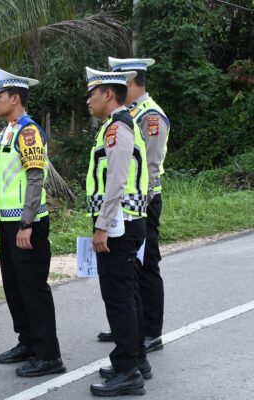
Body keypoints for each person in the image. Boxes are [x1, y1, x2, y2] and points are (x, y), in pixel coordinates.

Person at [0, 68, 66, 377]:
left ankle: (49, 355)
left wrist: (27, 223)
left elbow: (35, 179)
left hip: (26, 223)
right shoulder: (7, 130)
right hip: (8, 221)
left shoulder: (28, 131)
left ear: (15, 98)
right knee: (14, 287)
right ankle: (28, 342)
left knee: (33, 288)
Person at [94, 58, 169, 353]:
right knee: (127, 269)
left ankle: (151, 331)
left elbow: (149, 168)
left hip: (142, 203)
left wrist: (139, 206)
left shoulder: (150, 116)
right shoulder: (128, 114)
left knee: (146, 265)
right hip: (126, 204)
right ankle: (129, 327)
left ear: (128, 82)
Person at [84, 67, 150, 396]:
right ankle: (135, 359)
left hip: (119, 226)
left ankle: (128, 371)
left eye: (91, 94)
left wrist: (102, 226)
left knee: (119, 298)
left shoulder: (117, 128)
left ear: (108, 94)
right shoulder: (116, 126)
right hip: (125, 223)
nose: (88, 100)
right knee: (128, 294)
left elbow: (117, 182)